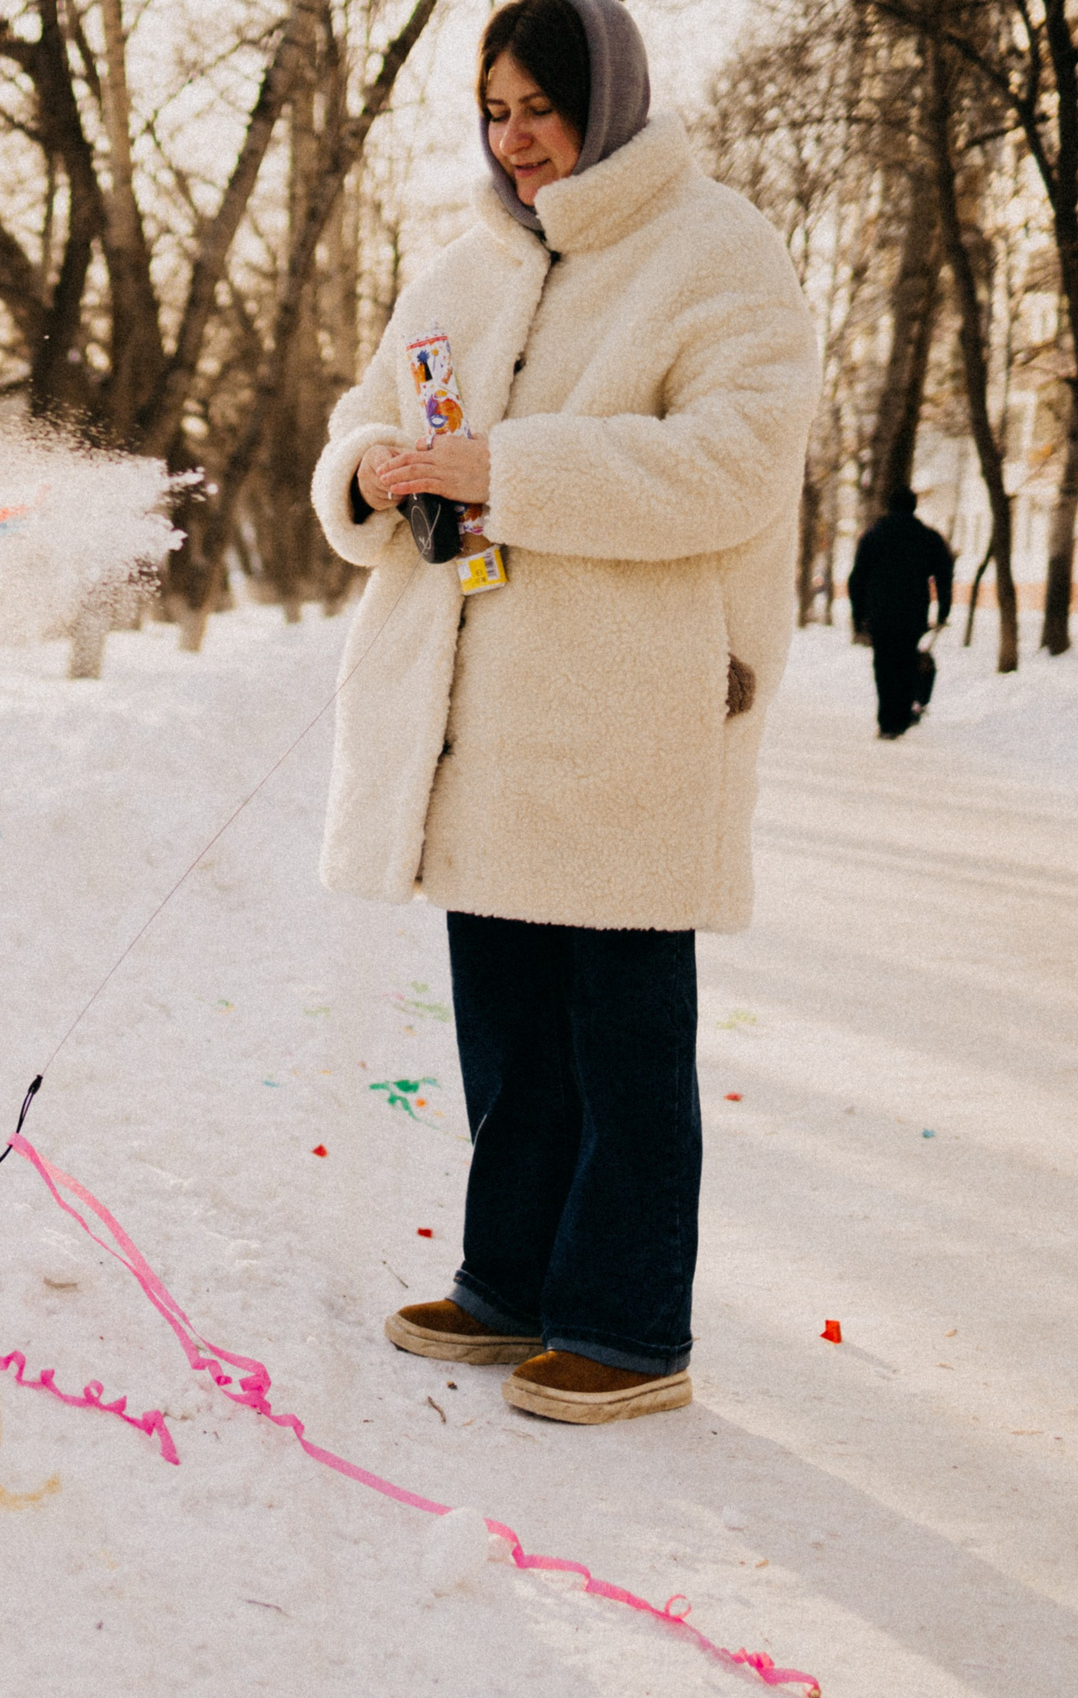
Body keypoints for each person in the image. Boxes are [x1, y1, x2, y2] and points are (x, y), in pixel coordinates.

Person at [308, 0, 819, 1423]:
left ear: (612, 100)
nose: (515, 138)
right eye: (495, 108)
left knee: (621, 1036)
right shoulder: (464, 261)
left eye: (541, 105)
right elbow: (363, 417)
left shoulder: (716, 248)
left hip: (629, 708)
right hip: (479, 719)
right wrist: (373, 474)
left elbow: (734, 462)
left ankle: (629, 1321)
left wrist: (504, 467)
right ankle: (512, 1280)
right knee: (509, 1025)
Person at [845, 490, 953, 738]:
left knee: (883, 665)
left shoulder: (874, 535)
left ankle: (887, 721)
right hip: (913, 614)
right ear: (914, 507)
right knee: (906, 662)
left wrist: (857, 615)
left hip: (880, 613)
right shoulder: (927, 536)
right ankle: (902, 717)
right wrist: (944, 610)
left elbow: (857, 578)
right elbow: (944, 574)